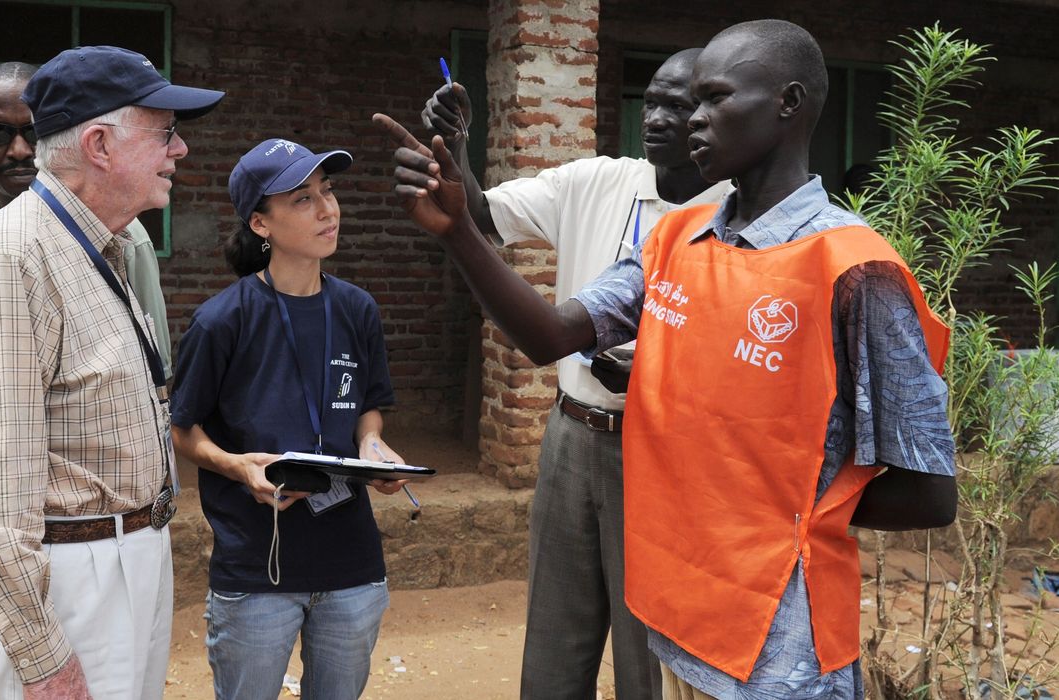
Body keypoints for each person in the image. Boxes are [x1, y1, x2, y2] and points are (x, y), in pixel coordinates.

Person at [377, 18, 956, 700]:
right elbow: (548, 337)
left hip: (779, 652)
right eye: (691, 104)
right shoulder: (677, 238)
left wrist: (775, 508)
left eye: (713, 100)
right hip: (683, 621)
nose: (693, 122)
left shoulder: (854, 269)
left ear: (788, 104)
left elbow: (926, 491)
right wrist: (458, 234)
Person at [418, 49, 729, 700]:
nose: (658, 117)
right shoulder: (597, 180)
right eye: (652, 101)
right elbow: (478, 216)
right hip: (572, 432)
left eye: (679, 105)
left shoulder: (736, 219)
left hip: (667, 453)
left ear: (713, 118)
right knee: (556, 637)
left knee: (650, 652)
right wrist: (458, 146)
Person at [0, 45, 222, 699]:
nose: (179, 152)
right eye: (165, 133)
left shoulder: (98, 245)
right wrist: (42, 659)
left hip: (120, 560)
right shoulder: (12, 259)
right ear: (98, 144)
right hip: (67, 582)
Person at [170, 138, 405, 700]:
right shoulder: (221, 321)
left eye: (327, 192)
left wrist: (373, 444)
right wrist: (236, 467)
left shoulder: (356, 309)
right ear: (260, 223)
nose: (328, 209)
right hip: (258, 569)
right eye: (302, 199)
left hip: (352, 564)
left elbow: (367, 405)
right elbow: (183, 428)